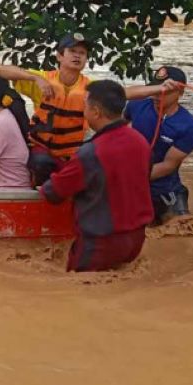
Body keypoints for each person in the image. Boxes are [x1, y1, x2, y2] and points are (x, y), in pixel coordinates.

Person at [40, 80, 154, 272]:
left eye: (85, 105)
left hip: (101, 243)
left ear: (95, 112)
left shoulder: (91, 152)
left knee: (77, 293)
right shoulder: (141, 141)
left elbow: (54, 192)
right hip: (137, 239)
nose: (83, 110)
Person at [0, 33, 93, 184]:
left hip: (72, 152)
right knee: (42, 163)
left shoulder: (90, 88)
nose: (77, 56)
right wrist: (34, 78)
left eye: (82, 53)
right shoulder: (44, 79)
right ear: (60, 56)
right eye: (72, 51)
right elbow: (1, 71)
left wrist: (145, 91)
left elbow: (122, 93)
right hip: (42, 150)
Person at [124, 66, 193, 223]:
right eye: (156, 90)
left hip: (163, 192)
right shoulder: (136, 105)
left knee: (181, 230)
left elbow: (168, 165)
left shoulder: (190, 126)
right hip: (131, 185)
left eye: (165, 91)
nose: (157, 95)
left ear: (180, 92)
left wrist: (131, 178)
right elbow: (116, 129)